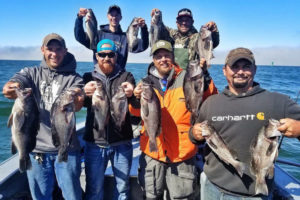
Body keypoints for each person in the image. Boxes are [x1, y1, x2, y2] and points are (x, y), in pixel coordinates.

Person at [189, 47, 300, 199]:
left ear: (255, 69)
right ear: (224, 70)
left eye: (246, 67)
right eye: (235, 66)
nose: (240, 72)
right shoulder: (210, 103)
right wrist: (194, 133)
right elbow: (194, 136)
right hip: (212, 188)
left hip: (255, 195)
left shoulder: (277, 101)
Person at [130, 40, 218, 200]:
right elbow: (136, 112)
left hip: (182, 152)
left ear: (173, 57)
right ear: (153, 60)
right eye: (158, 56)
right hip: (152, 152)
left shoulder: (188, 76)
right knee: (150, 195)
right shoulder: (144, 82)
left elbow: (210, 99)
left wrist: (205, 76)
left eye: (166, 55)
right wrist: (134, 99)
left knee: (182, 197)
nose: (163, 59)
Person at [2, 33, 84, 200]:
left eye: (58, 49)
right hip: (36, 149)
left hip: (67, 148)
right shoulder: (31, 72)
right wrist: (12, 87)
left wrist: (77, 97)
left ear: (65, 51)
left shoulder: (75, 78)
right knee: (40, 197)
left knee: (72, 196)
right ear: (42, 50)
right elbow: (12, 86)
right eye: (50, 49)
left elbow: (78, 104)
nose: (54, 53)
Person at [82, 39, 139, 200]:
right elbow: (81, 104)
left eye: (110, 54)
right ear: (96, 56)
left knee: (122, 188)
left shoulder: (127, 76)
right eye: (102, 54)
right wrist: (82, 92)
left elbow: (135, 104)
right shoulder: (87, 77)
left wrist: (133, 93)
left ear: (116, 57)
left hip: (122, 142)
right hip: (94, 143)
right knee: (94, 189)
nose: (106, 58)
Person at [75, 5, 149, 69]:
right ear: (107, 16)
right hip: (99, 75)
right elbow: (79, 37)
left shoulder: (125, 37)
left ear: (121, 17)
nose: (114, 17)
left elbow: (143, 46)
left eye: (116, 15)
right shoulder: (98, 35)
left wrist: (143, 29)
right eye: (111, 15)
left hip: (119, 76)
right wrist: (79, 18)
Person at [151, 8, 220, 70]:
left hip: (192, 77)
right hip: (173, 77)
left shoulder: (198, 37)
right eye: (181, 20)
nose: (184, 23)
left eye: (187, 20)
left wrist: (214, 31)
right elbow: (160, 28)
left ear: (192, 22)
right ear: (177, 22)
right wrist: (158, 16)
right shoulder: (170, 34)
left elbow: (213, 42)